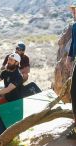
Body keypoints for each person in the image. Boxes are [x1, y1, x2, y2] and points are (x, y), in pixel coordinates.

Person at [65, 1, 76, 139]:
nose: (73, 13)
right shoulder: (74, 26)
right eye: (73, 11)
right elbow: (74, 42)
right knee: (74, 92)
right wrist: (69, 57)